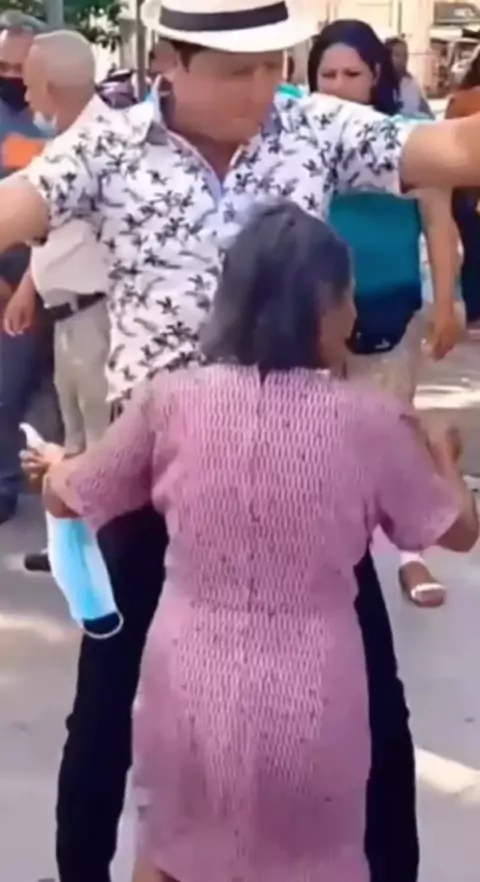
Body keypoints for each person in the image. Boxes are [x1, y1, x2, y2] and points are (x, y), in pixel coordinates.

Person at [6, 0, 480, 877]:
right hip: (153, 472)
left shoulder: (315, 126)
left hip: (303, 468)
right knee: (104, 711)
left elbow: (454, 150)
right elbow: (14, 208)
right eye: (236, 71)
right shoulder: (109, 144)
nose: (262, 88)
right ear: (172, 63)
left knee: (379, 713)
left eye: (273, 66)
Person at [309, 19, 462, 607]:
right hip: (316, 313)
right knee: (317, 441)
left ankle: (411, 554)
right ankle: (330, 553)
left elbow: (438, 223)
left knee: (391, 433)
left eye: (351, 73)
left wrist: (446, 302)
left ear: (375, 75)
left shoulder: (409, 140)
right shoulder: (299, 140)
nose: (338, 85)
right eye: (327, 74)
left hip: (391, 306)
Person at [4, 30, 112, 572]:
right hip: (67, 313)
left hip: (97, 318)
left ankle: (110, 557)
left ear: (52, 86)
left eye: (27, 82)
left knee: (102, 445)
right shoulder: (67, 143)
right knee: (72, 441)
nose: (23, 95)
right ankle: (73, 547)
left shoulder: (102, 146)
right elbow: (51, 234)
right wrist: (29, 288)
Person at [0, 14, 50, 524]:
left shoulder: (56, 123)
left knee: (35, 399)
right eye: (4, 67)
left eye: (22, 68)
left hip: (45, 283)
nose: (12, 77)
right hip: (6, 284)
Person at [445, 47, 480, 329]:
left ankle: (473, 310)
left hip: (464, 190)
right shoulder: (464, 101)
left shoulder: (459, 101)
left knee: (472, 252)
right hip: (469, 191)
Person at [386, 35, 432, 116]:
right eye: (397, 55)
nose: (402, 59)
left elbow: (428, 114)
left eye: (405, 55)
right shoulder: (376, 86)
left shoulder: (412, 83)